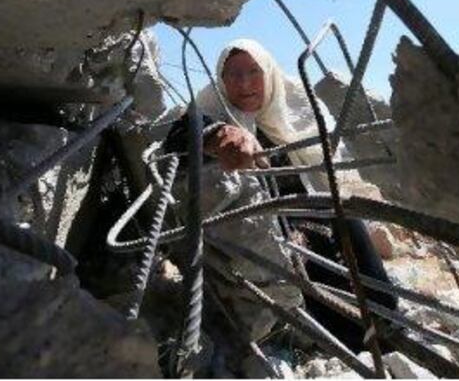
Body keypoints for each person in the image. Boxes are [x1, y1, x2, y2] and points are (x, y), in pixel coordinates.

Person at [163, 38, 398, 352]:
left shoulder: (295, 101)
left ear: (269, 72)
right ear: (221, 79)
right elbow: (180, 133)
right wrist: (219, 134)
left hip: (318, 204)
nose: (244, 83)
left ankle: (389, 329)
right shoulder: (213, 107)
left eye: (253, 71)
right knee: (310, 279)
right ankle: (347, 345)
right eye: (233, 74)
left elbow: (327, 160)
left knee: (358, 248)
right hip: (274, 222)